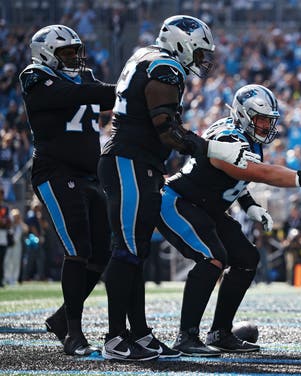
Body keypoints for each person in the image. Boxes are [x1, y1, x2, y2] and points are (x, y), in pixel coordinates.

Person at [98, 15, 260, 361]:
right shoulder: (165, 67)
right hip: (129, 161)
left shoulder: (145, 57)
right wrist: (212, 148)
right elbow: (167, 131)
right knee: (126, 250)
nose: (201, 59)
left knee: (136, 252)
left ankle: (140, 334)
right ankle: (115, 337)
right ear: (181, 43)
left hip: (138, 163)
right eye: (198, 51)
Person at [158, 84, 301, 356]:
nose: (265, 126)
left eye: (269, 120)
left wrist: (249, 205)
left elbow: (236, 177)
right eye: (260, 119)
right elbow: (258, 172)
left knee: (246, 258)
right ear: (243, 115)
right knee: (211, 257)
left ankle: (220, 332)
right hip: (178, 201)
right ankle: (186, 336)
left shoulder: (246, 137)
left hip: (205, 207)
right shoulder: (227, 136)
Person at [19, 24, 116, 356]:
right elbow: (70, 95)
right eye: (66, 52)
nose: (74, 57)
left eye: (76, 51)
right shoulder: (34, 76)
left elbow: (102, 95)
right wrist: (127, 89)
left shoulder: (85, 77)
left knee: (102, 252)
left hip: (89, 175)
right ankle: (73, 333)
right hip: (56, 172)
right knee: (78, 249)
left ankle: (62, 318)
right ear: (47, 54)